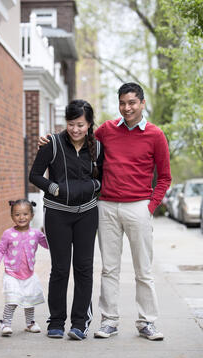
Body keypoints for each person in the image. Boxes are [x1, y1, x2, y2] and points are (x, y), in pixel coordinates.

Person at [93, 82, 172, 340]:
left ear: (142, 103)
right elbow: (78, 141)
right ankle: (109, 321)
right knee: (109, 269)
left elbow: (164, 178)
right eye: (123, 103)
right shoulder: (106, 130)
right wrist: (51, 140)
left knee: (143, 269)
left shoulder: (155, 135)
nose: (127, 108)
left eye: (132, 103)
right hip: (106, 206)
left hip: (138, 206)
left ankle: (147, 322)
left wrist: (149, 207)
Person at [29, 99, 103, 341]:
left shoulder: (98, 148)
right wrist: (54, 188)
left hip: (87, 214)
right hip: (57, 214)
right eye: (71, 124)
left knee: (83, 269)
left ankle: (80, 323)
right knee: (60, 269)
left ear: (89, 124)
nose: (75, 129)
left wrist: (95, 185)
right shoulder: (52, 143)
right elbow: (35, 175)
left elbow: (104, 176)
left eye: (80, 124)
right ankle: (57, 321)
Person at [0, 199, 48, 336]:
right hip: (12, 273)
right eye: (17, 214)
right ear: (12, 216)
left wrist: (52, 234)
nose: (21, 217)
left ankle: (30, 323)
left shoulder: (36, 234)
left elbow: (48, 244)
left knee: (30, 300)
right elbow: (0, 250)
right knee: (12, 300)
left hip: (29, 274)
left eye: (25, 214)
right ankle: (6, 324)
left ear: (32, 215)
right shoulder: (8, 234)